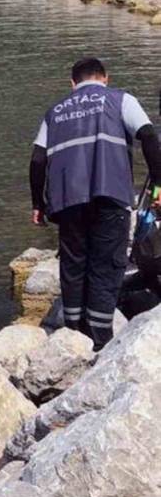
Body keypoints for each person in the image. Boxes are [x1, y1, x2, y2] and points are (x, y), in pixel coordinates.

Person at [30, 57, 161, 351]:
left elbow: (38, 160)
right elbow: (149, 136)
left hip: (67, 201)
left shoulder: (55, 112)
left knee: (74, 265)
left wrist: (38, 203)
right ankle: (100, 342)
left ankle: (73, 335)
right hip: (110, 195)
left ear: (72, 84)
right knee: (106, 264)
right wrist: (159, 184)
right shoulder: (121, 100)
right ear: (105, 78)